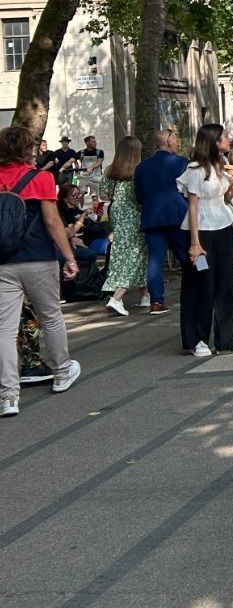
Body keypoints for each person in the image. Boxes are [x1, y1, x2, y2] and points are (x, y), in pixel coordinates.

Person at [0, 125, 85, 417]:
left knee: (5, 329)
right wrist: (69, 257)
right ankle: (62, 371)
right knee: (51, 316)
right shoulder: (42, 178)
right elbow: (51, 223)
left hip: (3, 263)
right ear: (28, 149)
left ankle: (9, 396)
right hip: (38, 258)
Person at [179, 124, 233, 357]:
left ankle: (229, 339)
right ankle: (197, 338)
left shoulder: (223, 164)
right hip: (202, 231)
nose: (229, 139)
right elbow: (193, 207)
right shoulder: (195, 169)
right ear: (215, 141)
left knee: (226, 283)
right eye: (225, 136)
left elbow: (227, 197)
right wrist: (195, 243)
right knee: (202, 285)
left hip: (224, 226)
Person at [134, 129, 189, 317]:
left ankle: (157, 301)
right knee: (186, 254)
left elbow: (139, 195)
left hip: (152, 217)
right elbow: (189, 189)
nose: (177, 142)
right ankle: (196, 291)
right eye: (175, 139)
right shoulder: (181, 162)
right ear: (168, 142)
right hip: (176, 214)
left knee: (155, 260)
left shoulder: (142, 167)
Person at [101, 136, 149, 317]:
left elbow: (104, 194)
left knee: (123, 252)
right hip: (134, 213)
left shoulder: (110, 170)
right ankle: (117, 297)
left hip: (117, 213)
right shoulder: (138, 170)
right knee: (136, 253)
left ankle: (145, 294)